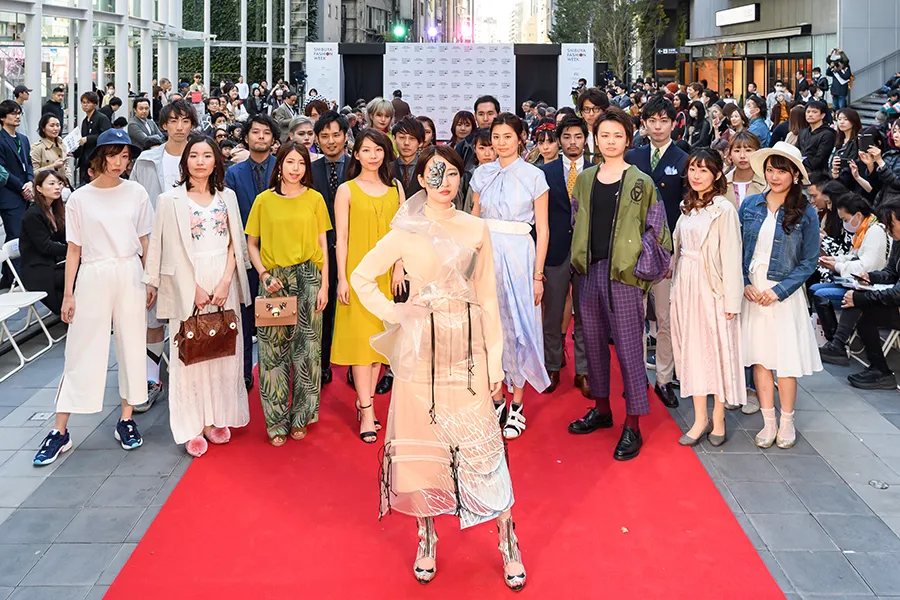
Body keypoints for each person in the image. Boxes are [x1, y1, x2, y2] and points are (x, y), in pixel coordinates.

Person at [350, 145, 526, 590]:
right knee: (422, 452)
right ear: (420, 179)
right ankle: (426, 537)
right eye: (434, 173)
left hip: (467, 349)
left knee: (483, 447)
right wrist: (397, 312)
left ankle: (508, 540)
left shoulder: (475, 227)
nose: (444, 181)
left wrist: (495, 362)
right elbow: (361, 277)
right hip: (420, 355)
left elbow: (488, 298)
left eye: (451, 173)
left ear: (461, 178)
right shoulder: (405, 230)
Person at [33, 129, 152, 466]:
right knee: (80, 348)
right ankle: (60, 430)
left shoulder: (137, 192)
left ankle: (126, 419)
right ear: (99, 157)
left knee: (132, 345)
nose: (119, 162)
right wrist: (68, 294)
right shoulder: (80, 198)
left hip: (130, 272)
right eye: (113, 155)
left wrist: (151, 279)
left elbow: (145, 240)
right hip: (93, 271)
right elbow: (74, 249)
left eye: (125, 156)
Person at [568, 108, 672, 461]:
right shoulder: (585, 179)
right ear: (595, 140)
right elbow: (576, 218)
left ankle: (633, 423)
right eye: (604, 135)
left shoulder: (642, 182)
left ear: (628, 139)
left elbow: (658, 230)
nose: (610, 141)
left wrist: (637, 265)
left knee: (629, 350)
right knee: (593, 344)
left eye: (617, 135)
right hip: (589, 272)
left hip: (624, 278)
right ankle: (601, 409)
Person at [143, 135, 252, 456]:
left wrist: (225, 280)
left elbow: (236, 242)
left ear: (217, 161)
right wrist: (190, 287)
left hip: (223, 278)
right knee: (190, 351)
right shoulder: (169, 200)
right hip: (186, 281)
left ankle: (217, 417)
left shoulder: (228, 196)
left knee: (223, 348)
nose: (200, 161)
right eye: (194, 156)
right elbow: (162, 247)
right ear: (185, 161)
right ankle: (192, 424)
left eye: (207, 155)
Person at [245, 141, 331, 446]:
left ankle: (300, 417)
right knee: (272, 353)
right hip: (274, 281)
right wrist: (264, 274)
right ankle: (276, 422)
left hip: (308, 277)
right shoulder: (263, 201)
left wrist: (325, 284)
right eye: (290, 162)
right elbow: (251, 243)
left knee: (307, 353)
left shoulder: (315, 199)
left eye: (302, 163)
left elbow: (322, 244)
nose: (296, 168)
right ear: (279, 164)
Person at [471, 112, 551, 439]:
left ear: (521, 138)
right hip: (486, 253)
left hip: (520, 256)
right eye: (496, 137)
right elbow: (474, 218)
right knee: (488, 326)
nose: (501, 143)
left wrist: (537, 275)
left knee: (520, 327)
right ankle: (495, 398)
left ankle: (517, 404)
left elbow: (543, 230)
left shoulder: (534, 176)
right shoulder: (481, 174)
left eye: (508, 136)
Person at [740, 142, 822, 449]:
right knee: (760, 358)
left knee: (785, 360)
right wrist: (743, 283)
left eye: (782, 171)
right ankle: (768, 421)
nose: (774, 177)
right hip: (753, 290)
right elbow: (737, 249)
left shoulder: (806, 212)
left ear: (795, 175)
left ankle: (787, 421)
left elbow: (809, 262)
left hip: (784, 292)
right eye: (770, 170)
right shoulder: (750, 205)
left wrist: (779, 291)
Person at [332, 129, 405, 443]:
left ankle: (367, 402)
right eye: (366, 150)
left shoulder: (396, 188)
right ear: (356, 154)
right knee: (362, 347)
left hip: (386, 278)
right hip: (358, 276)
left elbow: (403, 232)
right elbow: (342, 238)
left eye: (378, 150)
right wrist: (342, 278)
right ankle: (366, 410)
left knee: (379, 347)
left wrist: (399, 267)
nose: (373, 156)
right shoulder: (346, 190)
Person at [671, 148, 745, 446]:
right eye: (692, 169)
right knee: (692, 350)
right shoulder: (686, 206)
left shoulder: (724, 209)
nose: (696, 175)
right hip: (685, 284)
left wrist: (732, 300)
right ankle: (700, 418)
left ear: (716, 174)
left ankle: (718, 417)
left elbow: (732, 256)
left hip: (712, 288)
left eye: (703, 170)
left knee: (716, 352)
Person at [131, 99, 199, 411]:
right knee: (153, 315)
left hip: (194, 246)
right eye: (174, 121)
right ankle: (151, 377)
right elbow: (134, 203)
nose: (179, 127)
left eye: (185, 121)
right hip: (154, 248)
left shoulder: (200, 155)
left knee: (190, 312)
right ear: (164, 125)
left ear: (192, 124)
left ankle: (190, 378)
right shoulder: (147, 161)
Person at [625, 96, 688, 409]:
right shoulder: (632, 156)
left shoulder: (685, 159)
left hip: (666, 251)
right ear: (644, 124)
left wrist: (677, 251)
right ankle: (635, 378)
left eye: (664, 121)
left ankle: (664, 378)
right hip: (632, 250)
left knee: (666, 319)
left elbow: (687, 209)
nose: (658, 126)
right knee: (633, 318)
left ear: (674, 123)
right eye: (652, 121)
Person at [225, 114, 280, 390]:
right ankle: (244, 373)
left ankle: (276, 374)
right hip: (245, 256)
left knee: (278, 317)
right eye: (255, 132)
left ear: (274, 139)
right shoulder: (233, 174)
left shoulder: (283, 168)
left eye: (266, 133)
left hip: (278, 255)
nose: (260, 137)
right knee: (245, 320)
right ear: (245, 137)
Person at [539, 115, 590, 396]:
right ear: (559, 141)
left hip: (587, 253)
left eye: (578, 137)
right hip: (554, 251)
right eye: (567, 137)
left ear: (586, 140)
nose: (573, 142)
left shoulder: (596, 171)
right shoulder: (544, 173)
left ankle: (583, 371)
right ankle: (552, 366)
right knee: (552, 313)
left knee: (585, 315)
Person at [813, 192, 887, 364]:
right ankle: (834, 341)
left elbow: (868, 266)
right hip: (859, 282)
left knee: (825, 295)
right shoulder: (864, 230)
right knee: (816, 290)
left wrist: (837, 266)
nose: (844, 224)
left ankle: (838, 344)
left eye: (845, 219)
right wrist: (835, 260)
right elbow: (854, 256)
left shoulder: (875, 231)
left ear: (858, 215)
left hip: (870, 286)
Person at [841, 199, 900, 389]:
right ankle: (879, 370)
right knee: (865, 315)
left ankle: (880, 370)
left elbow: (897, 294)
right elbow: (891, 273)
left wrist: (860, 298)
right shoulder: (898, 241)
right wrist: (870, 277)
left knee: (864, 308)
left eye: (890, 224)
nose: (888, 230)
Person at [310, 111, 350, 385]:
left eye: (336, 134)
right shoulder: (310, 171)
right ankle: (322, 364)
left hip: (352, 247)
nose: (331, 141)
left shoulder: (358, 167)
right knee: (322, 308)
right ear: (317, 139)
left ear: (345, 136)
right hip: (320, 249)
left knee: (352, 307)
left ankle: (354, 364)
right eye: (324, 136)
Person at [18, 169, 67, 313]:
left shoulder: (56, 209)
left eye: (59, 183)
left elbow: (64, 238)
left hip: (54, 264)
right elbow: (45, 246)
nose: (57, 187)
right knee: (81, 275)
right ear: (39, 188)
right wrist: (73, 249)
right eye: (51, 184)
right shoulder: (33, 215)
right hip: (38, 270)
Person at [0, 100, 35, 282]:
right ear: (2, 117)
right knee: (16, 235)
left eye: (18, 113)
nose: (17, 116)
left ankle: (7, 277)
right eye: (13, 113)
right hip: (9, 194)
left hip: (25, 192)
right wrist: (21, 186)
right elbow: (2, 170)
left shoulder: (23, 139)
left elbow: (28, 163)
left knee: (19, 234)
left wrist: (30, 181)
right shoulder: (1, 139)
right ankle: (18, 278)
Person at [74, 92, 111, 185]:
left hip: (97, 157)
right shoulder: (84, 121)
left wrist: (88, 139)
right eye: (83, 102)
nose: (85, 105)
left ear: (95, 104)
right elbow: (82, 140)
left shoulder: (102, 118)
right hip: (85, 159)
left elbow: (106, 136)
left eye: (88, 102)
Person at [456, 127, 495, 214]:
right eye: (482, 148)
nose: (487, 154)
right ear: (474, 149)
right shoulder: (467, 176)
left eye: (492, 148)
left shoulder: (505, 174)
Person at [455, 95, 500, 170]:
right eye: (481, 114)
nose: (485, 119)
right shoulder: (464, 145)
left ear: (499, 115)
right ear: (475, 116)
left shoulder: (508, 142)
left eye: (490, 114)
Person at [724, 130, 766, 207]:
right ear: (730, 155)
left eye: (748, 150)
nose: (742, 156)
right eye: (737, 151)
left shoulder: (767, 183)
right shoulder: (722, 184)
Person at [31, 113, 71, 185]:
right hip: (45, 187)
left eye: (58, 125)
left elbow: (66, 167)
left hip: (62, 186)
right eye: (52, 126)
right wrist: (53, 166)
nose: (56, 128)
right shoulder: (37, 147)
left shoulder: (62, 144)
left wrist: (68, 182)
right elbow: (34, 173)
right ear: (43, 128)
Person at [798, 100, 835, 175]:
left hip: (819, 174)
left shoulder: (827, 134)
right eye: (808, 112)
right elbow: (797, 150)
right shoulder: (803, 132)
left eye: (814, 112)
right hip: (800, 170)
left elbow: (819, 158)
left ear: (822, 115)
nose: (810, 115)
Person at [391, 116, 425, 198]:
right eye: (402, 138)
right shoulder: (386, 169)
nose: (406, 143)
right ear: (394, 139)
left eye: (412, 138)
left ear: (420, 142)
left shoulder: (427, 167)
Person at [831, 108, 863, 190]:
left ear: (854, 121)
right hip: (834, 178)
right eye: (839, 119)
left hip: (849, 183)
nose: (841, 122)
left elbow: (850, 163)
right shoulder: (838, 139)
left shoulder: (857, 142)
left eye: (846, 119)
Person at [577, 88, 610, 164]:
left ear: (604, 111)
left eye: (596, 109)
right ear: (581, 112)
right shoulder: (577, 134)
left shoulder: (613, 134)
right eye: (586, 109)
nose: (591, 114)